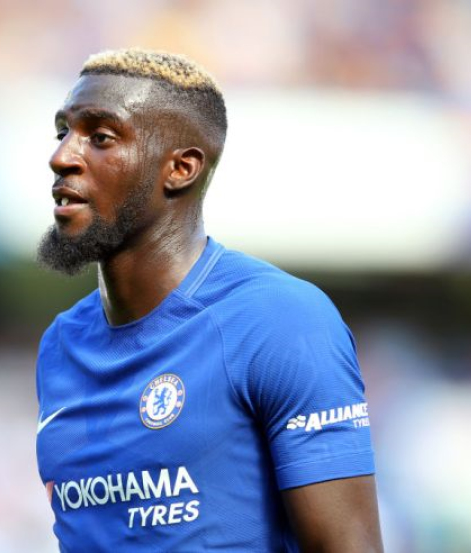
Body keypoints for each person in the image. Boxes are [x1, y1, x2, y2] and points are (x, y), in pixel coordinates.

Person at [35, 47, 383, 552]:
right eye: (63, 132)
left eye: (101, 137)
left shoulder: (278, 321)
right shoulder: (61, 344)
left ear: (181, 168)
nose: (62, 156)